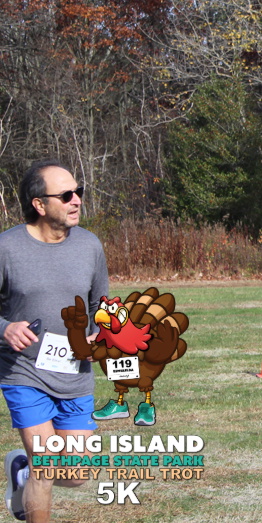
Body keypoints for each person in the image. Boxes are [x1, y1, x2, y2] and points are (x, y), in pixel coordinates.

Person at [0, 160, 109, 522]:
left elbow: (101, 306)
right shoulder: (7, 247)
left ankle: (21, 473)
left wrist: (100, 333)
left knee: (76, 474)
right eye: (66, 195)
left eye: (79, 192)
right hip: (24, 371)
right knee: (45, 464)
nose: (76, 200)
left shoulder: (90, 246)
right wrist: (5, 328)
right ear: (39, 204)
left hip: (74, 373)